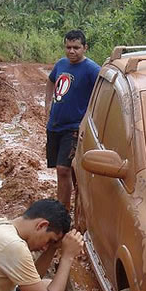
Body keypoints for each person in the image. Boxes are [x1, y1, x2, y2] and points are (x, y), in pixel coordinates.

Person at [46, 29, 100, 211]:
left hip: (75, 127)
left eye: (76, 47)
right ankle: (72, 206)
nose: (71, 51)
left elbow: (100, 96)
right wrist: (48, 107)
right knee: (64, 170)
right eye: (68, 47)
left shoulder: (92, 70)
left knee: (64, 169)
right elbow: (51, 81)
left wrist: (88, 121)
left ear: (85, 47)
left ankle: (63, 212)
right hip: (55, 125)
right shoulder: (61, 64)